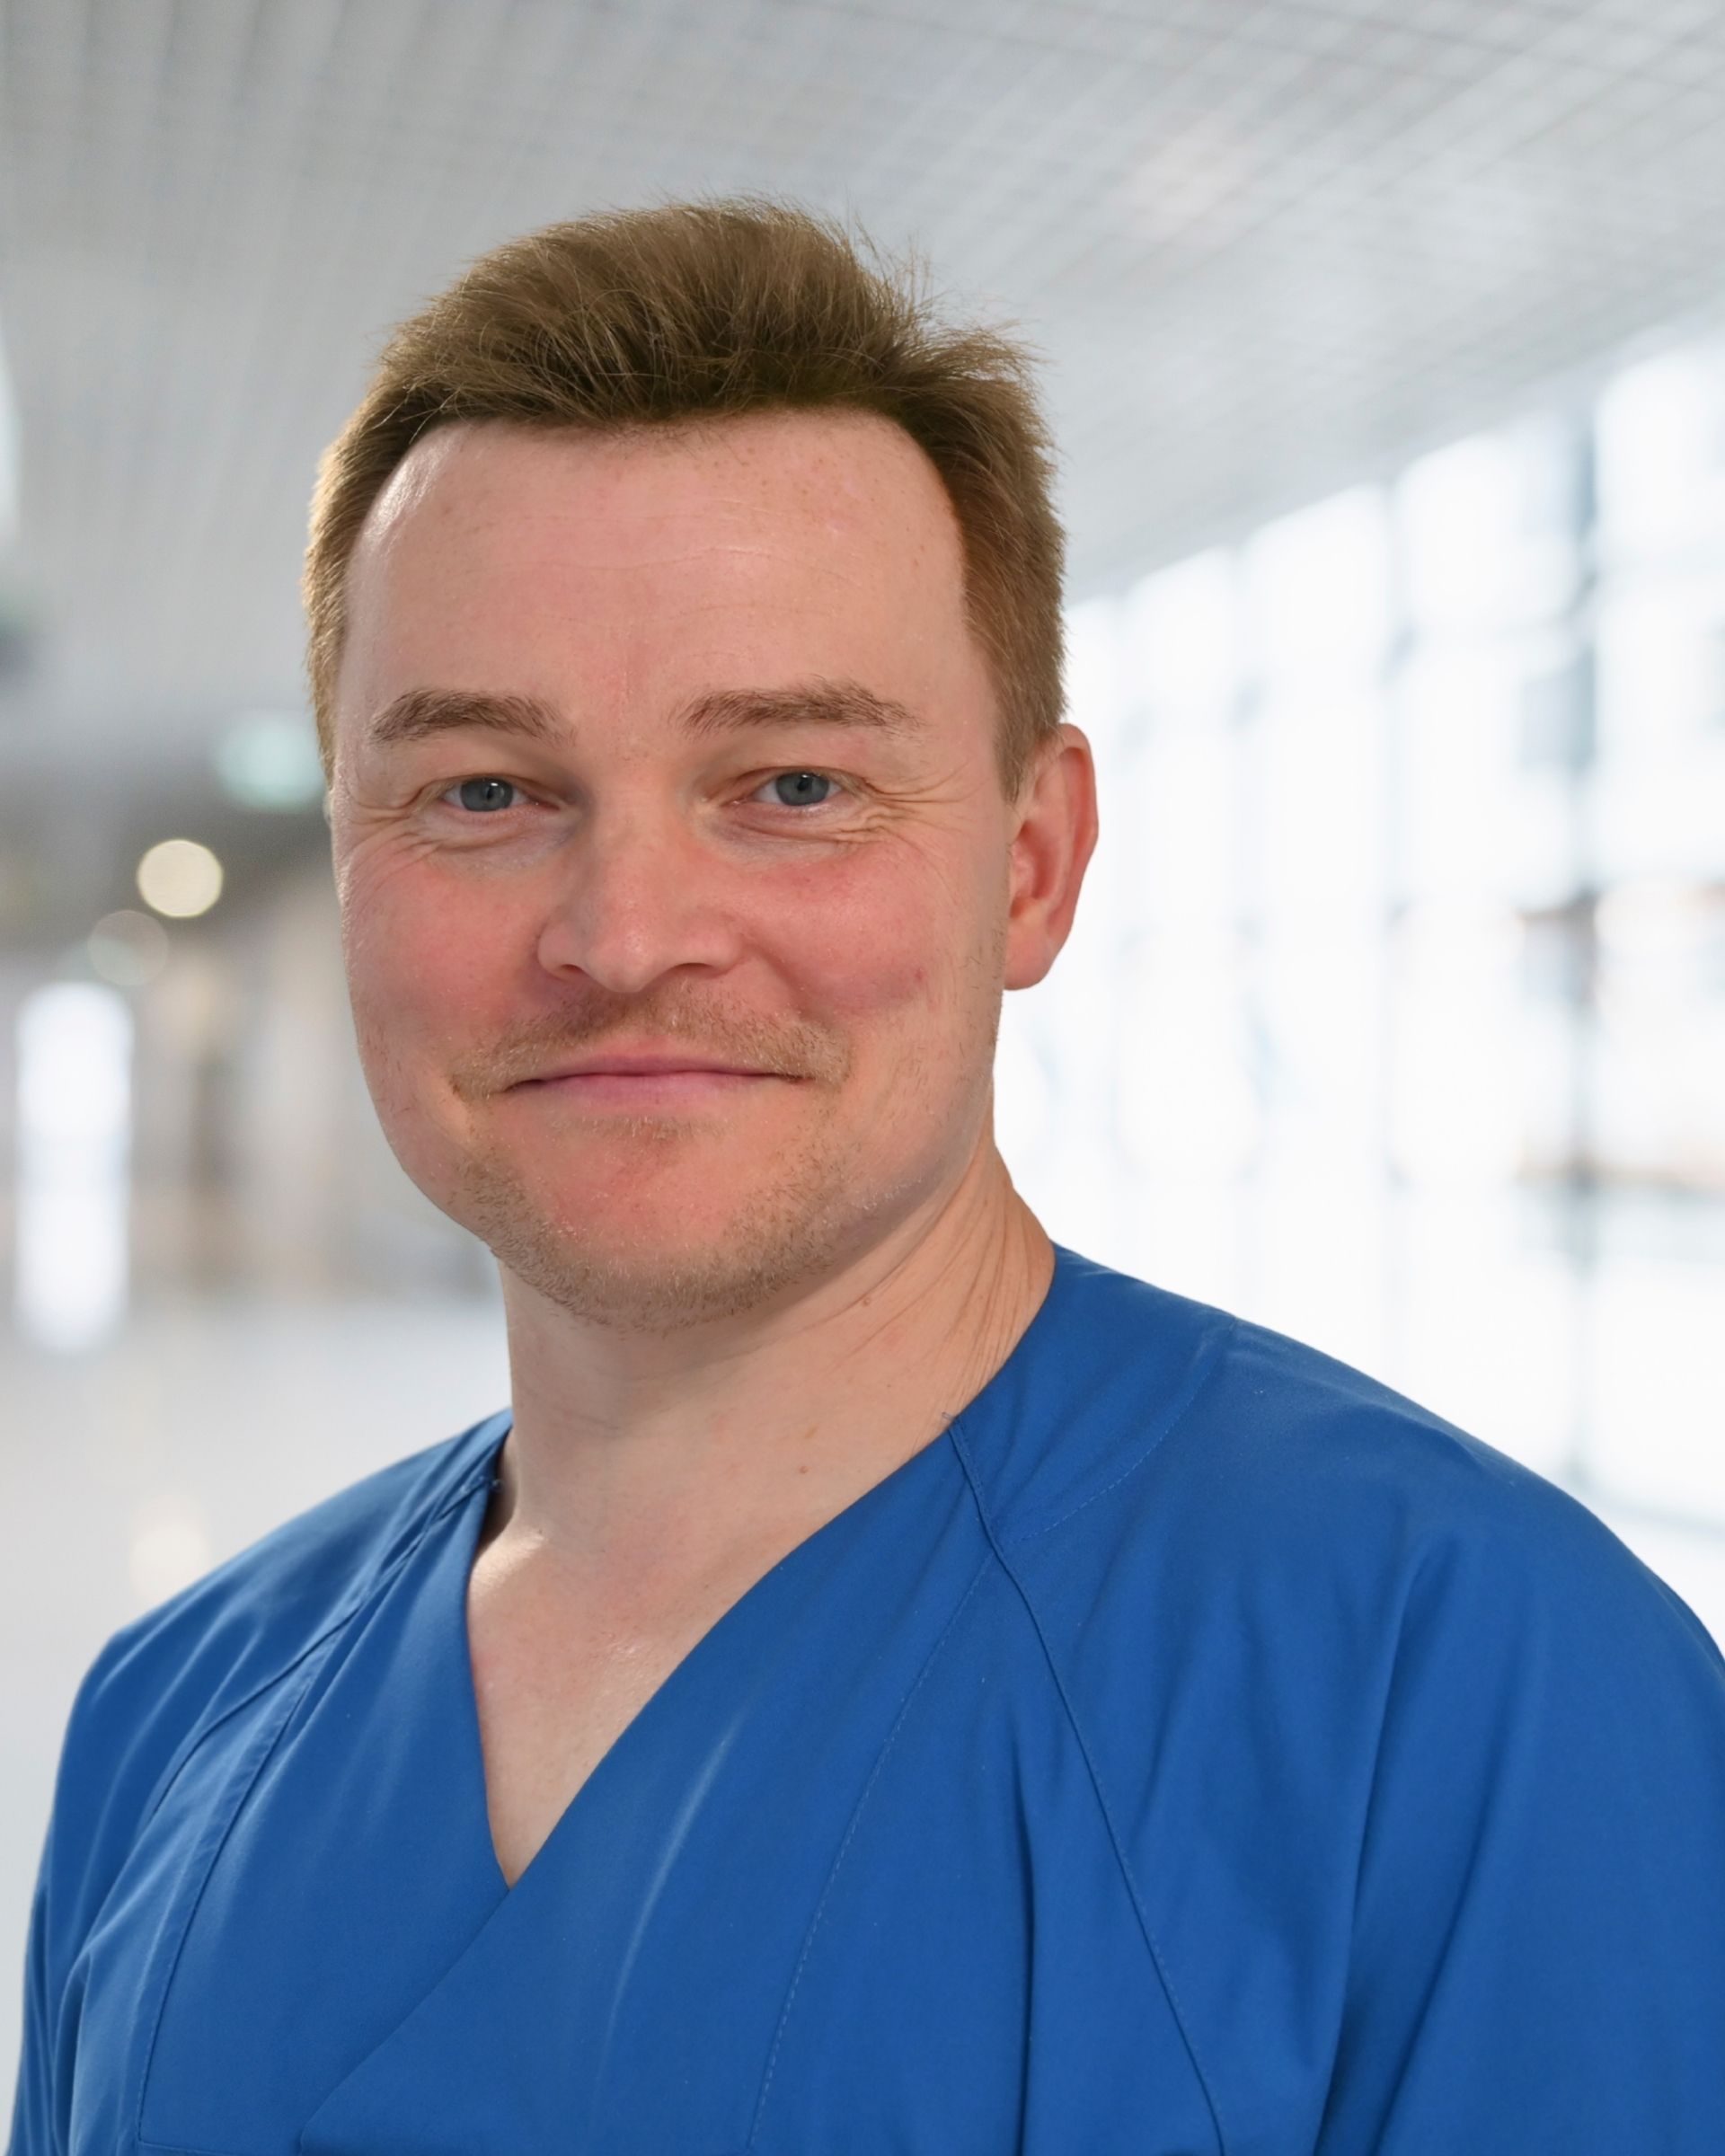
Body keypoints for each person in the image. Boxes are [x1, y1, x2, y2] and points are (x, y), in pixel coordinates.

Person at [10, 199, 1725, 2156]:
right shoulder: (172, 1719)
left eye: (794, 787)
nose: (626, 934)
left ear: (1032, 865)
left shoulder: (1473, 1702)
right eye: (483, 790)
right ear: (350, 864)